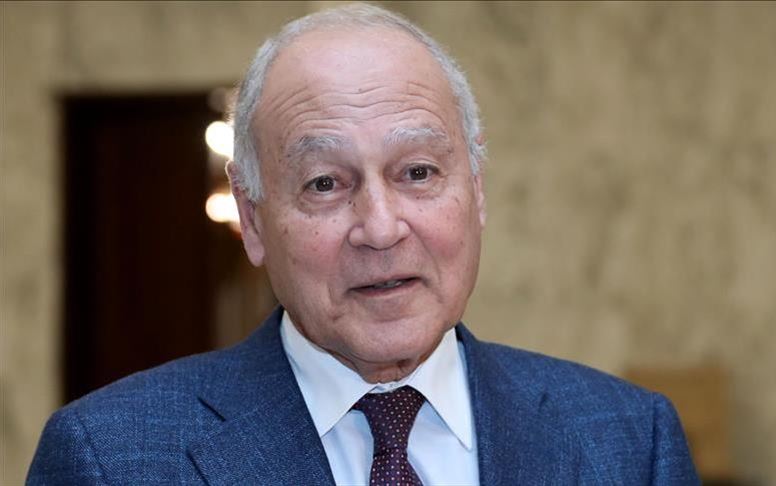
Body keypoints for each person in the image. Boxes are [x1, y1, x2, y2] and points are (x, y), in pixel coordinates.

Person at [27, 4, 699, 485]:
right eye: (324, 183)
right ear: (253, 219)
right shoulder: (109, 460)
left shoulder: (628, 442)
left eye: (417, 173)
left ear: (476, 189)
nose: (380, 229)